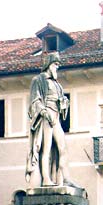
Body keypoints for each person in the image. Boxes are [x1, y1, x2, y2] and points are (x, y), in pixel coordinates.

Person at [26, 52, 78, 188]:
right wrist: (43, 111)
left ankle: (65, 178)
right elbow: (35, 100)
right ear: (48, 64)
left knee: (62, 148)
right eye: (55, 64)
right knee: (46, 149)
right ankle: (46, 179)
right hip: (46, 116)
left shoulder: (57, 85)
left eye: (58, 65)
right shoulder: (38, 80)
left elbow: (61, 103)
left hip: (56, 117)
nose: (57, 67)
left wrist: (64, 103)